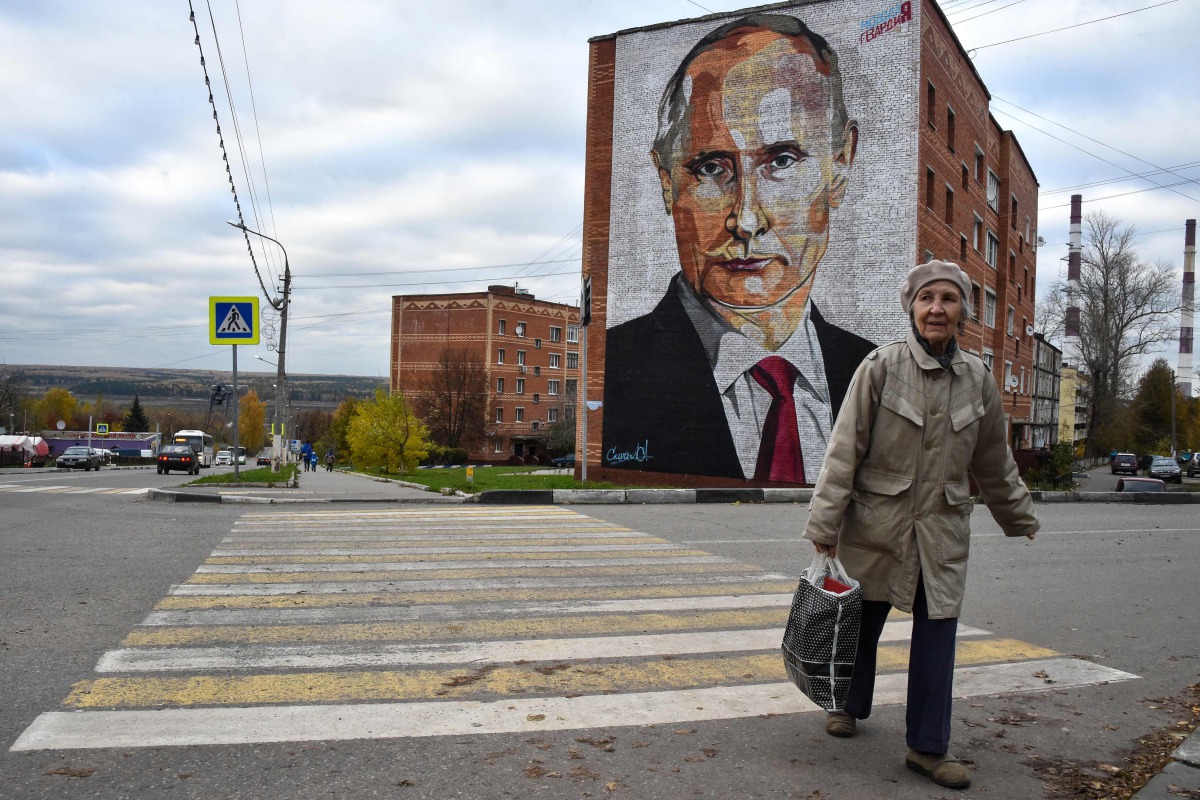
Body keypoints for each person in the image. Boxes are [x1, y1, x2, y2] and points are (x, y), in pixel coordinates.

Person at [602, 13, 875, 482]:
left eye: (782, 160)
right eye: (710, 168)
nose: (746, 220)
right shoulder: (618, 370)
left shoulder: (873, 375)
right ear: (667, 183)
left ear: (840, 165)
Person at [803, 260, 1039, 790]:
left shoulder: (977, 379)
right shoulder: (881, 367)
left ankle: (928, 748)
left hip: (942, 530)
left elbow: (994, 460)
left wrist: (1018, 514)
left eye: (949, 300)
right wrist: (826, 521)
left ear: (963, 312)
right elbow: (845, 450)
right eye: (927, 298)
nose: (937, 308)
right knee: (861, 625)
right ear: (911, 306)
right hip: (878, 524)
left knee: (938, 637)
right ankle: (846, 704)